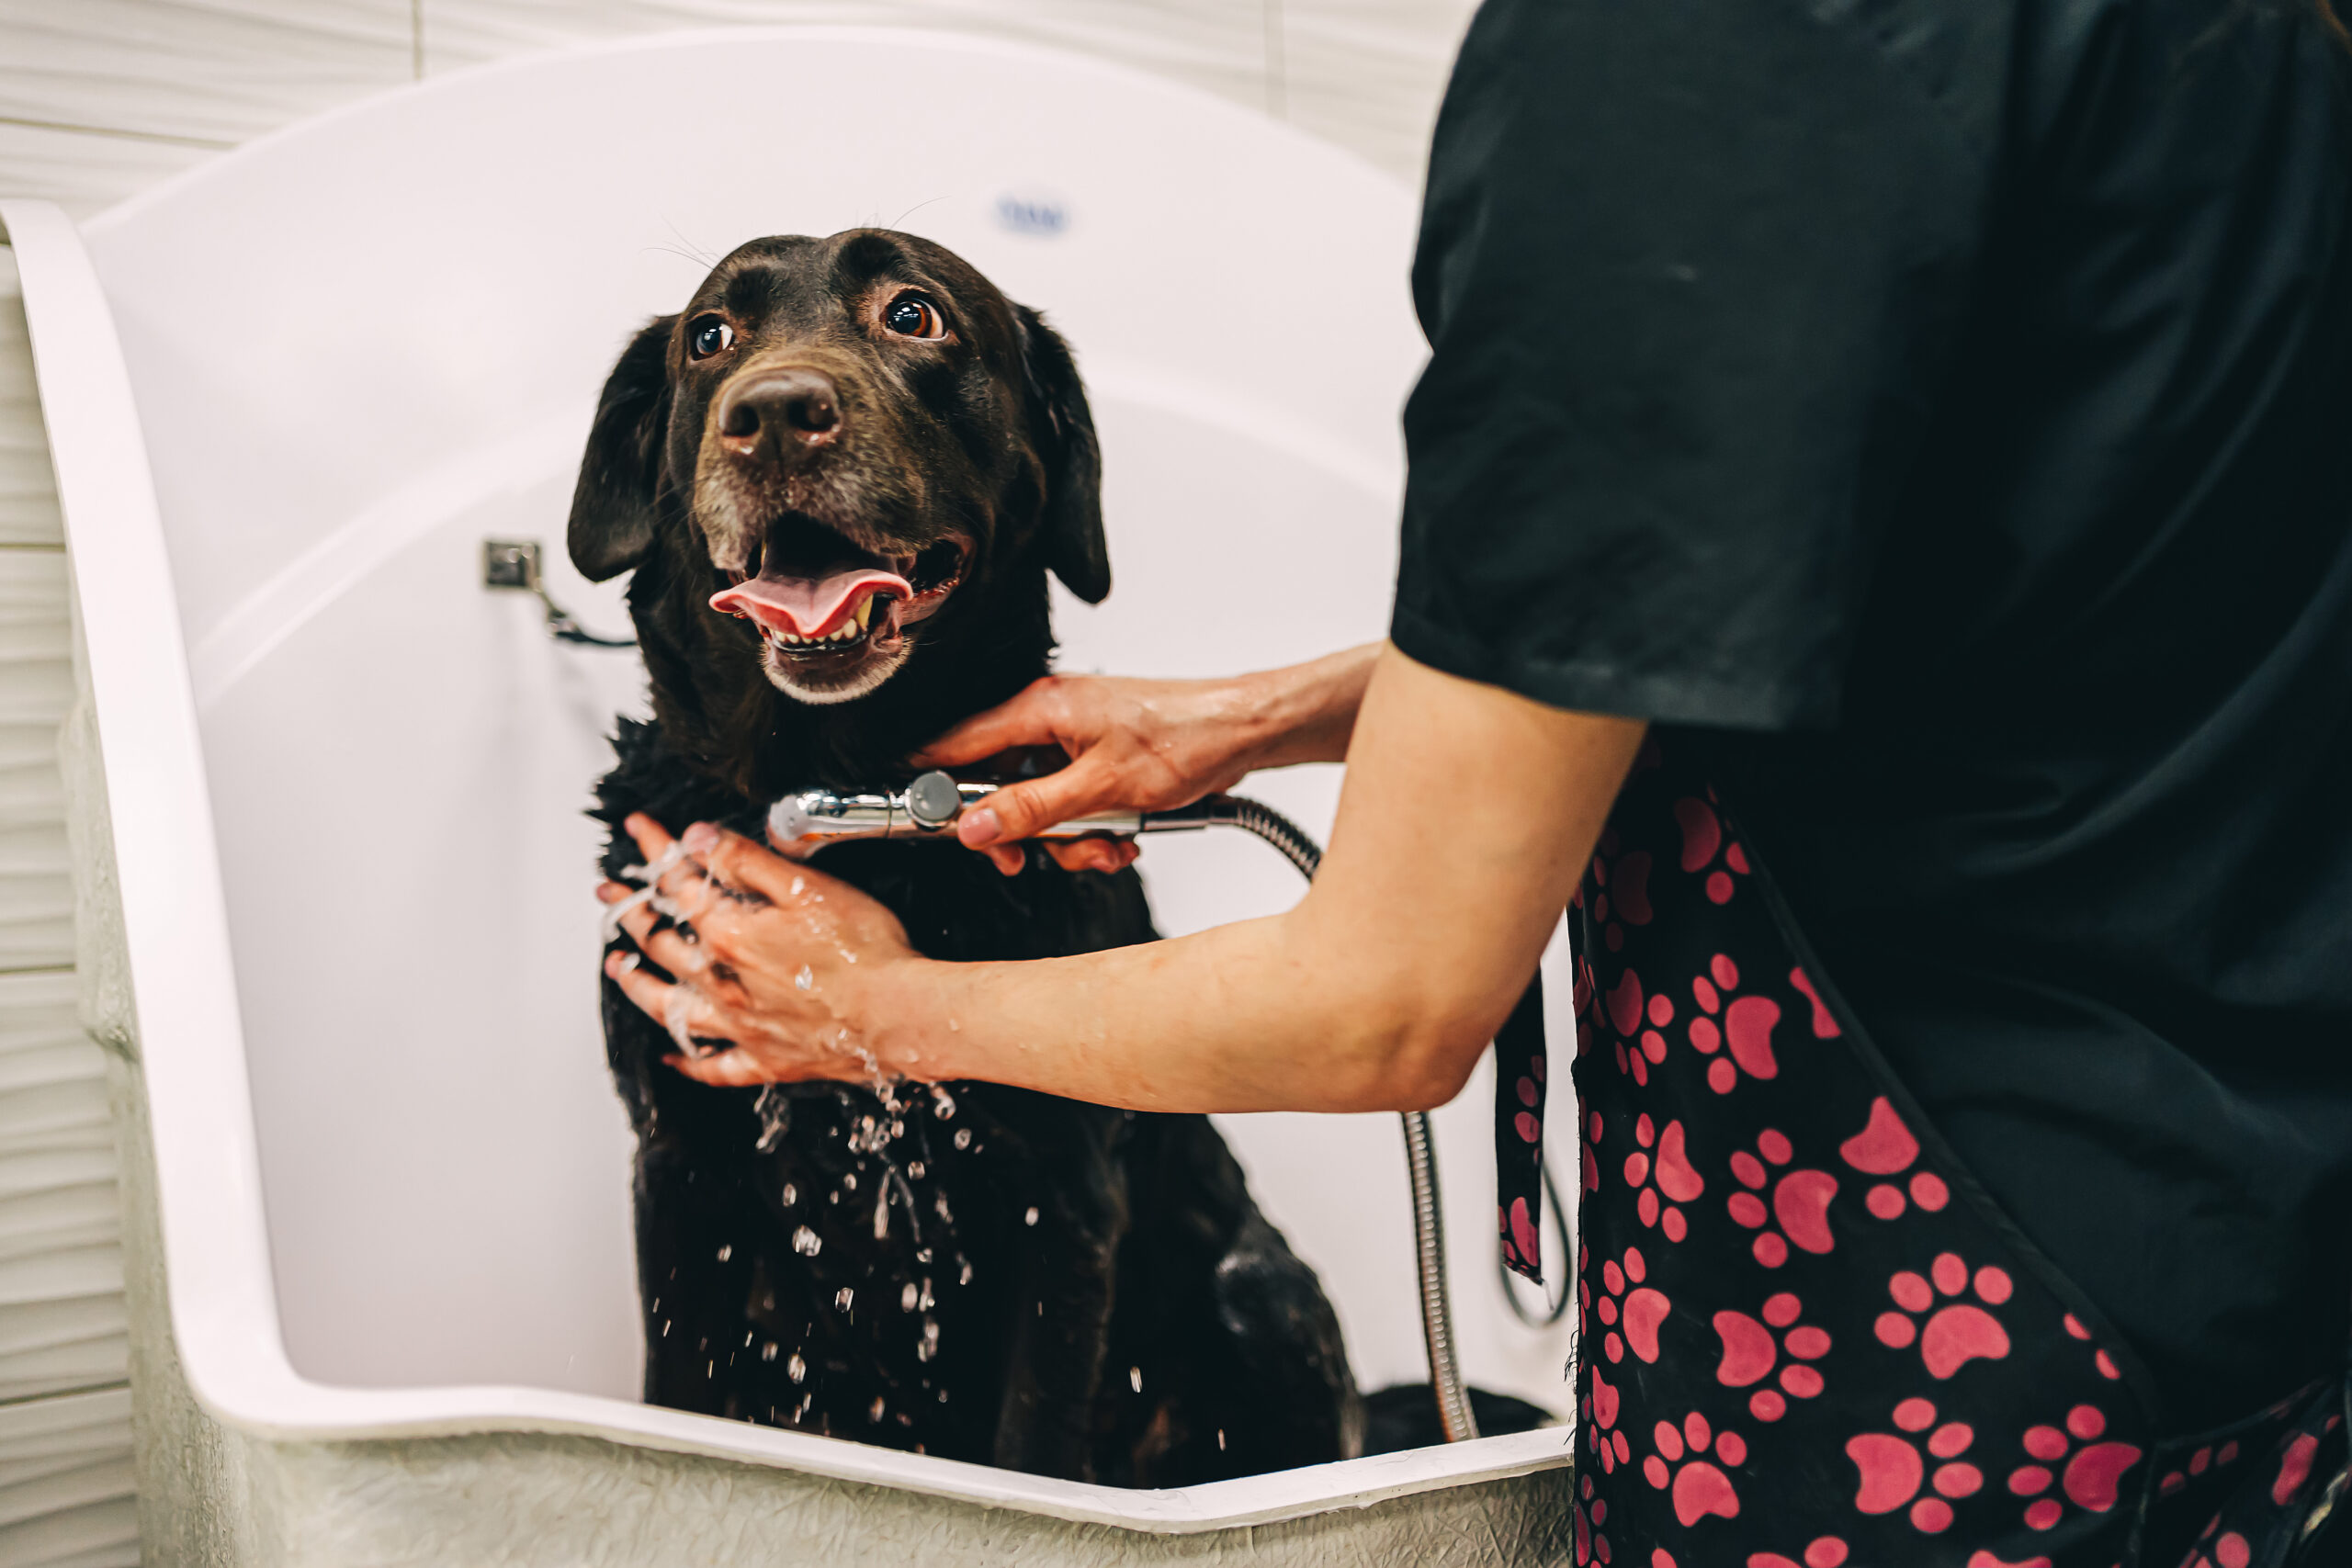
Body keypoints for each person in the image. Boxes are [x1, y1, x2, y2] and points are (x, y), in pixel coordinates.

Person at [594, 0, 2352, 1559]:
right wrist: (1265, 717)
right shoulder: (2237, 47)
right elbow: (1949, 589)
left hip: (1941, 1304)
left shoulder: (1691, 59)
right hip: (2249, 1238)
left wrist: (878, 1008)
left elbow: (1387, 1003)